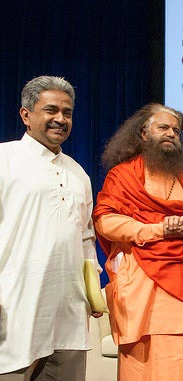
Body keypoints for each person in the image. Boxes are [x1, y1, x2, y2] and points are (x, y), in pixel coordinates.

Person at [92, 103, 183, 381]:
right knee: (136, 365)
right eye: (163, 127)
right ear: (143, 133)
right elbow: (105, 221)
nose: (171, 134)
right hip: (138, 285)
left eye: (176, 130)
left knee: (175, 362)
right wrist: (157, 230)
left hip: (179, 287)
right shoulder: (123, 176)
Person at [0, 75, 103, 380]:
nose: (60, 119)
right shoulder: (5, 159)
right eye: (51, 110)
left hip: (69, 313)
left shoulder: (78, 173)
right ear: (26, 114)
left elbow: (86, 237)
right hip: (14, 307)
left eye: (67, 113)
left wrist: (91, 292)